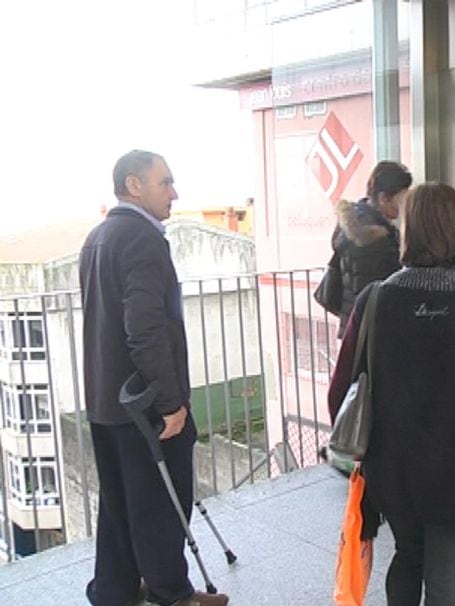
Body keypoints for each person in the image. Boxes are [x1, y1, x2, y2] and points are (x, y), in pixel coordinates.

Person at [327, 182, 455, 606]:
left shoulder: (374, 301)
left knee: (407, 555)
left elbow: (339, 395)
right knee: (444, 579)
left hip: (392, 469)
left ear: (409, 233)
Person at [80, 150, 228, 606]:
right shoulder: (142, 240)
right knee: (163, 500)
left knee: (120, 504)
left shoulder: (98, 236)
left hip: (106, 401)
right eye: (165, 182)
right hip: (143, 404)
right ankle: (172, 593)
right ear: (134, 184)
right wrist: (168, 403)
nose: (174, 192)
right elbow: (145, 328)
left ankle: (115, 590)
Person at [330, 160, 412, 336]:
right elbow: (379, 290)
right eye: (402, 197)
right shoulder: (374, 238)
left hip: (355, 326)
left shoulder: (359, 222)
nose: (405, 203)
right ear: (384, 198)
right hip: (371, 330)